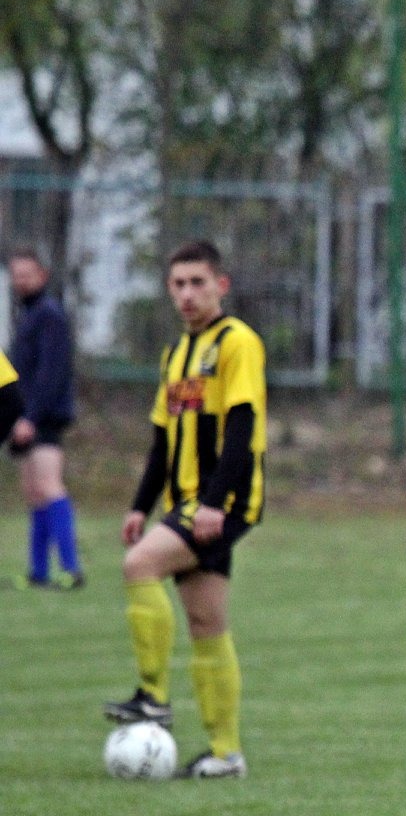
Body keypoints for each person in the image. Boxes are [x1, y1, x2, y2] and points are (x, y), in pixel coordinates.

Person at [102, 241, 268, 780]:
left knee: (139, 566)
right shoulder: (175, 355)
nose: (187, 294)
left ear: (221, 285)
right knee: (207, 622)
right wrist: (139, 506)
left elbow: (242, 429)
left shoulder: (237, 343)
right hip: (184, 504)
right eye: (178, 284)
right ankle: (227, 753)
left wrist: (216, 504)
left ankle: (152, 696)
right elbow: (160, 440)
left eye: (198, 282)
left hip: (221, 502)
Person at [7, 248, 83, 589]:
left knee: (49, 486)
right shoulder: (30, 314)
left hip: (43, 416)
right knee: (34, 491)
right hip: (25, 415)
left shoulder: (49, 315)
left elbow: (52, 373)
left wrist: (32, 417)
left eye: (28, 274)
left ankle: (71, 568)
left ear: (43, 275)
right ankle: (39, 571)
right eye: (16, 274)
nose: (21, 280)